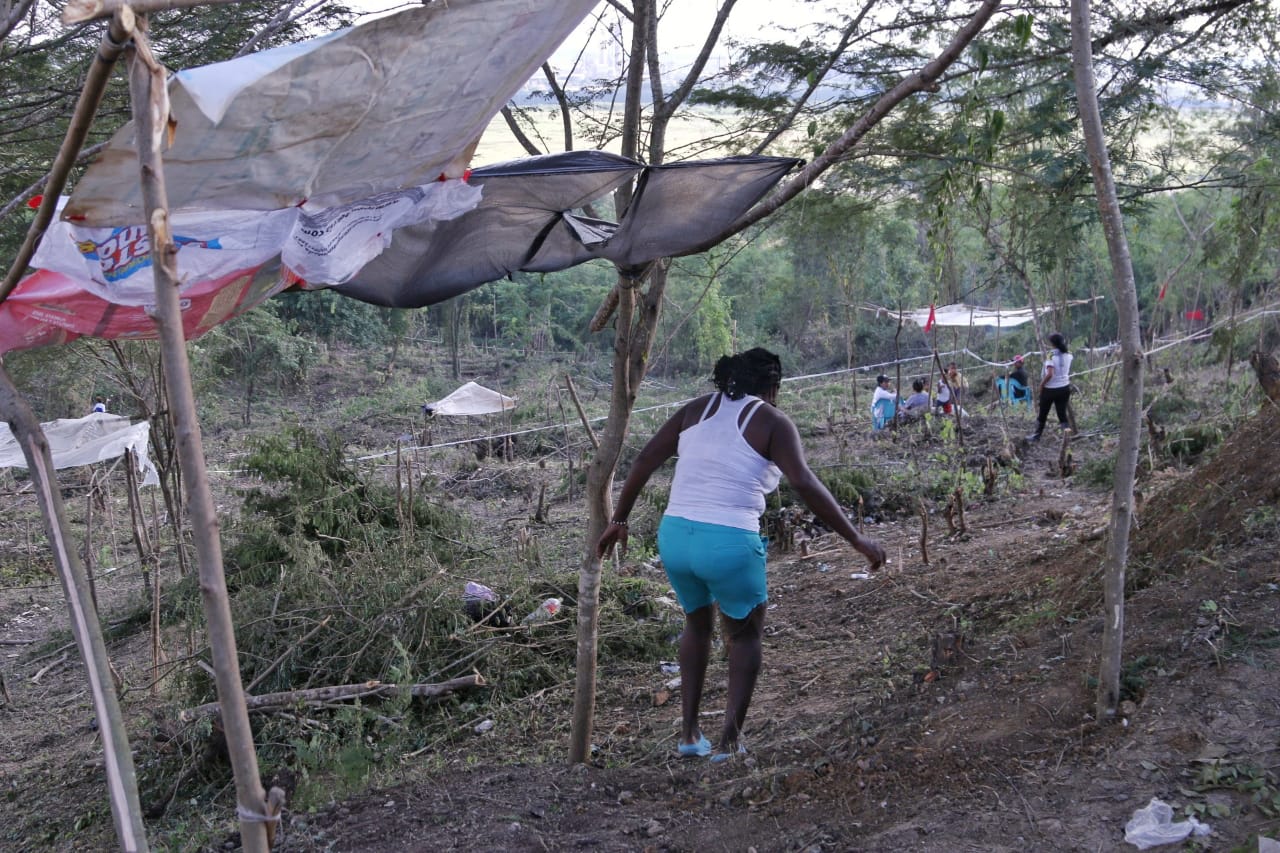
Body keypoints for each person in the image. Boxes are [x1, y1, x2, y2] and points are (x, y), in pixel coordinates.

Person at [596, 348, 885, 761]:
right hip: (728, 542)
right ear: (773, 385)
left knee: (696, 626)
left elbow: (644, 459)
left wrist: (619, 520)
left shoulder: (696, 409)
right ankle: (729, 743)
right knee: (745, 637)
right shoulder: (772, 421)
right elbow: (802, 482)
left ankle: (690, 735)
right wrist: (856, 539)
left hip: (675, 537)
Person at [1028, 332, 1073, 441]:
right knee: (1062, 413)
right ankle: (1067, 438)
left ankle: (1036, 435)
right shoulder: (1070, 354)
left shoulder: (1051, 355)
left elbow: (1050, 374)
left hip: (1050, 389)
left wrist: (1042, 384)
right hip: (1065, 387)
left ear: (1052, 343)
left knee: (1043, 413)